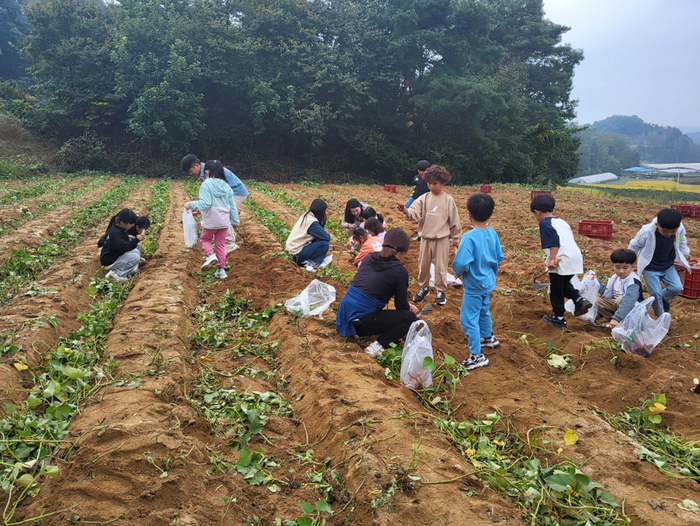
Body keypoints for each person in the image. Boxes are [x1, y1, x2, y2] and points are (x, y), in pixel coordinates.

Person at [336, 228, 419, 356]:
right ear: (403, 252)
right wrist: (410, 307)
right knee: (409, 318)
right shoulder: (400, 272)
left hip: (343, 313)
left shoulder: (369, 257)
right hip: (358, 322)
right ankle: (377, 347)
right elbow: (401, 306)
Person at [452, 193, 503, 370]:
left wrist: (457, 273)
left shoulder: (468, 237)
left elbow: (460, 263)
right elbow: (499, 256)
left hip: (474, 285)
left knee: (468, 318)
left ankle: (476, 355)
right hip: (488, 282)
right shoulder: (492, 233)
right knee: (483, 309)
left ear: (469, 214)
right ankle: (488, 337)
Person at [397, 164, 461, 306]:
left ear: (443, 182)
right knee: (423, 265)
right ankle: (424, 288)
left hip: (442, 238)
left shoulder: (448, 200)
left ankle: (440, 290)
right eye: (429, 183)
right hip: (425, 237)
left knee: (440, 266)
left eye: (435, 184)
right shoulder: (423, 199)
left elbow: (454, 221)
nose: (431, 186)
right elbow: (413, 213)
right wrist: (405, 211)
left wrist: (456, 238)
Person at [531, 194, 591, 330]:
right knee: (563, 285)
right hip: (574, 257)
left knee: (556, 289)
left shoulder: (544, 223)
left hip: (561, 259)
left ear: (537, 212)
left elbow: (554, 242)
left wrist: (551, 259)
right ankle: (579, 300)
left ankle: (559, 318)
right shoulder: (562, 222)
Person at [628, 208, 691, 317]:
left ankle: (657, 299)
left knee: (676, 288)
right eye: (666, 231)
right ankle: (660, 318)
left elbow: (681, 240)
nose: (669, 234)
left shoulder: (679, 228)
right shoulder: (646, 232)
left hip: (667, 265)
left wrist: (685, 252)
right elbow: (635, 245)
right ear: (657, 225)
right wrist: (628, 260)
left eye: (673, 231)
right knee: (656, 293)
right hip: (650, 267)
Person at [181, 154, 247, 255]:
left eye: (190, 171)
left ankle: (230, 246)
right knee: (220, 213)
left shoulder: (209, 170)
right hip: (230, 191)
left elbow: (210, 200)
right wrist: (199, 210)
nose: (190, 174)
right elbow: (209, 198)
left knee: (223, 213)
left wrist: (194, 205)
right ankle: (225, 244)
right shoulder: (207, 171)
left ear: (196, 166)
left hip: (236, 192)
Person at [185, 160, 239, 279]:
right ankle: (221, 270)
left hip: (211, 220)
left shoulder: (206, 184)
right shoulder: (226, 186)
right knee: (220, 245)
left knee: (205, 239)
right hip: (224, 222)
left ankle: (210, 255)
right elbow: (233, 206)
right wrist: (235, 222)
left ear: (207, 172)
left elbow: (205, 204)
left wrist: (191, 204)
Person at [594, 249, 644, 328]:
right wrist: (596, 282)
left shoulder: (633, 282)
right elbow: (607, 293)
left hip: (633, 310)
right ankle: (615, 324)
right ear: (612, 265)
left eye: (625, 268)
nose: (621, 271)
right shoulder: (615, 277)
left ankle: (623, 323)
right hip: (617, 307)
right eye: (617, 267)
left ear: (632, 267)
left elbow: (628, 301)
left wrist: (617, 318)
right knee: (596, 301)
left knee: (620, 300)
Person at [286, 199, 332, 269]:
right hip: (297, 254)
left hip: (291, 250)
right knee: (324, 244)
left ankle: (307, 260)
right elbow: (327, 237)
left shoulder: (306, 215)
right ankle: (313, 263)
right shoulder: (312, 223)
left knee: (317, 241)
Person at [100, 208, 144, 282]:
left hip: (114, 256)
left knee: (136, 252)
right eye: (130, 223)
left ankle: (121, 271)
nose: (132, 225)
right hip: (110, 261)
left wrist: (128, 237)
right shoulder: (115, 232)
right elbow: (123, 247)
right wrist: (136, 240)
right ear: (122, 223)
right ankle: (117, 275)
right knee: (135, 257)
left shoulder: (118, 229)